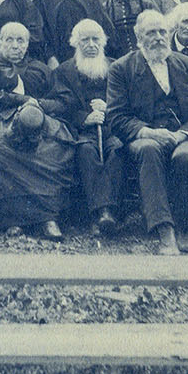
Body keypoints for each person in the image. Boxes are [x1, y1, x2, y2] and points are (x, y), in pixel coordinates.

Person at [106, 9, 188, 254]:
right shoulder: (121, 69)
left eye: (162, 32)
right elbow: (116, 116)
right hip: (144, 137)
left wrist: (183, 134)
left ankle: (187, 227)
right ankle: (164, 230)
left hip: (184, 135)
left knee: (186, 157)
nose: (158, 38)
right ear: (139, 38)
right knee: (148, 150)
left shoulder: (187, 65)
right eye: (151, 33)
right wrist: (147, 132)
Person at [0, 22, 72, 239]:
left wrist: (36, 104)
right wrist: (5, 100)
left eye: (21, 41)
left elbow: (62, 102)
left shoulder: (41, 70)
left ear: (27, 45)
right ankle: (10, 219)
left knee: (54, 148)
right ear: (0, 42)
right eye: (9, 40)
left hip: (40, 121)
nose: (15, 46)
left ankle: (47, 218)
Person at [51, 19, 121, 234]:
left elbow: (129, 101)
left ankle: (112, 212)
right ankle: (99, 213)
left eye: (95, 40)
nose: (91, 45)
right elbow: (60, 106)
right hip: (79, 131)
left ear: (103, 42)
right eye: (85, 40)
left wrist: (108, 108)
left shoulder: (116, 66)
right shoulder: (63, 71)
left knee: (116, 149)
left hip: (112, 127)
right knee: (86, 150)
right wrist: (84, 118)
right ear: (75, 43)